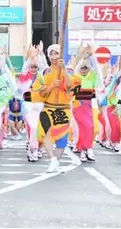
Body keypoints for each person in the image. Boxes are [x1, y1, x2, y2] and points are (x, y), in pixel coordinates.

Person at [37, 45, 81, 173]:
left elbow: (69, 85)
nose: (53, 56)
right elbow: (41, 92)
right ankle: (52, 159)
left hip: (63, 109)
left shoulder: (70, 71)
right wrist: (52, 86)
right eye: (51, 54)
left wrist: (64, 70)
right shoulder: (45, 72)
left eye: (56, 53)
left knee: (62, 140)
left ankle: (55, 161)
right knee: (45, 133)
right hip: (48, 108)